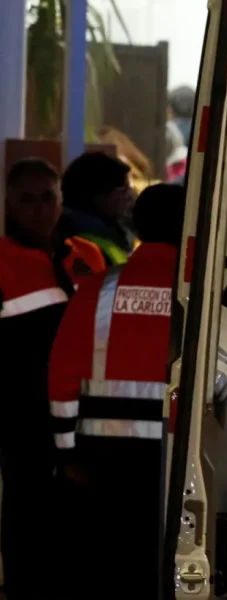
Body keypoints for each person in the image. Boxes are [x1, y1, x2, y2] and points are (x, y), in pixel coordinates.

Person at [48, 183, 186, 597]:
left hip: (105, 460)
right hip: (178, 454)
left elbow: (62, 377)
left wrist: (67, 452)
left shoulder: (98, 289)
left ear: (137, 225)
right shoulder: (197, 295)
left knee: (110, 566)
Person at [0, 159, 104, 600]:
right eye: (27, 200)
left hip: (86, 414)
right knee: (26, 518)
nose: (39, 209)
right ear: (9, 204)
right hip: (23, 418)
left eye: (48, 198)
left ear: (61, 201)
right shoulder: (2, 260)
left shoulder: (87, 255)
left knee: (78, 524)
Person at [58, 151, 137, 267]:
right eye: (123, 189)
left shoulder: (108, 233)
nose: (129, 196)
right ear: (98, 195)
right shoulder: (80, 247)